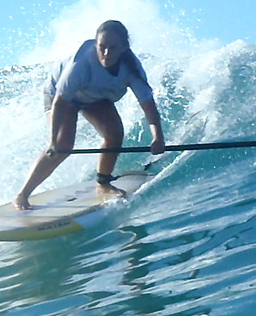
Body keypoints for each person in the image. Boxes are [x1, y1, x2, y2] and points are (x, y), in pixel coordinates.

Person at [14, 21, 165, 210]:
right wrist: (53, 141)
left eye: (113, 48)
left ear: (124, 48)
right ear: (96, 44)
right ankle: (22, 195)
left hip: (94, 97)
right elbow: (60, 103)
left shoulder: (132, 69)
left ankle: (103, 184)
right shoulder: (81, 63)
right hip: (60, 97)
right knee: (62, 146)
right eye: (102, 47)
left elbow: (148, 106)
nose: (107, 54)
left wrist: (158, 137)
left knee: (114, 134)